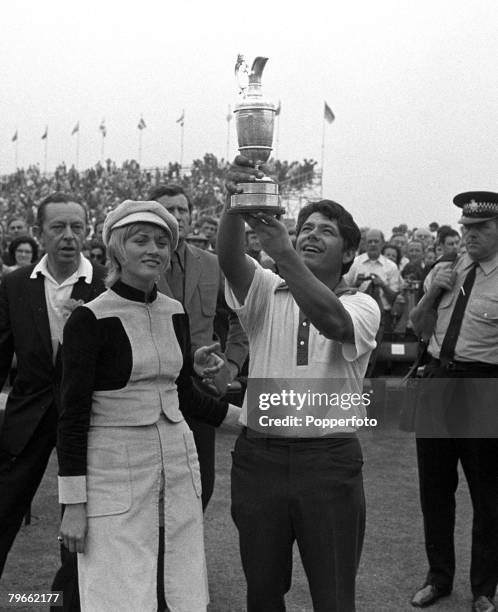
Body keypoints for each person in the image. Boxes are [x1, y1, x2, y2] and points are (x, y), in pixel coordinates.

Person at [57, 199, 240, 611]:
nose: (153, 250)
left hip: (176, 468)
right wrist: (73, 503)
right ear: (118, 248)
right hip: (111, 475)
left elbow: (184, 396)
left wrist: (243, 420)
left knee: (179, 586)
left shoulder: (174, 313)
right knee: (115, 590)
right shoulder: (89, 318)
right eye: (141, 240)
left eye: (162, 242)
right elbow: (72, 416)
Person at [218, 156, 380, 611]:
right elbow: (230, 260)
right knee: (263, 591)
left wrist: (285, 252)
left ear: (349, 253)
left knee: (333, 595)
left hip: (328, 462)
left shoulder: (362, 303)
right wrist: (233, 201)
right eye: (306, 226)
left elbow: (331, 321)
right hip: (259, 458)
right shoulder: (268, 289)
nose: (310, 234)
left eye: (325, 230)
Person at [0, 193, 107, 611]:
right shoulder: (13, 284)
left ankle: (64, 603)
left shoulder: (105, 283)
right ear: (40, 231)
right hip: (27, 417)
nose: (68, 236)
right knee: (4, 511)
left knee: (81, 523)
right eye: (58, 227)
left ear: (88, 230)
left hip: (86, 422)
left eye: (76, 227)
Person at [410, 191, 498, 612]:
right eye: (466, 228)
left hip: (483, 384)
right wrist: (431, 292)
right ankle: (438, 578)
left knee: (487, 493)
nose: (469, 236)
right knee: (435, 488)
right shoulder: (448, 269)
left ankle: (483, 589)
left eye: (480, 228)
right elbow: (417, 327)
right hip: (439, 378)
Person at [150, 184, 248, 510]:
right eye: (168, 210)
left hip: (202, 393)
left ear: (191, 218)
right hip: (150, 393)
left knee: (199, 489)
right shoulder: (135, 267)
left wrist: (231, 367)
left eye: (182, 210)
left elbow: (242, 320)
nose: (177, 216)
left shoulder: (213, 264)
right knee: (151, 495)